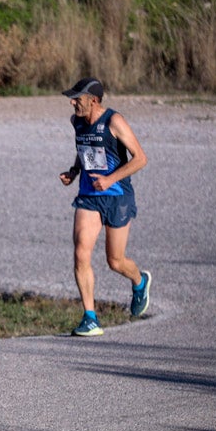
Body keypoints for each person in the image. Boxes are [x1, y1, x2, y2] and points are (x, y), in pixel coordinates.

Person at [59, 77, 152, 336]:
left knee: (115, 260)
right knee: (80, 253)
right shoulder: (76, 121)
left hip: (117, 196)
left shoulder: (114, 121)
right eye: (72, 97)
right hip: (89, 196)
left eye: (77, 98)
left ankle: (139, 280)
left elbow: (141, 158)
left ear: (94, 101)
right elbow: (84, 147)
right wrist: (75, 171)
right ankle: (90, 317)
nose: (72, 102)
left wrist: (110, 179)